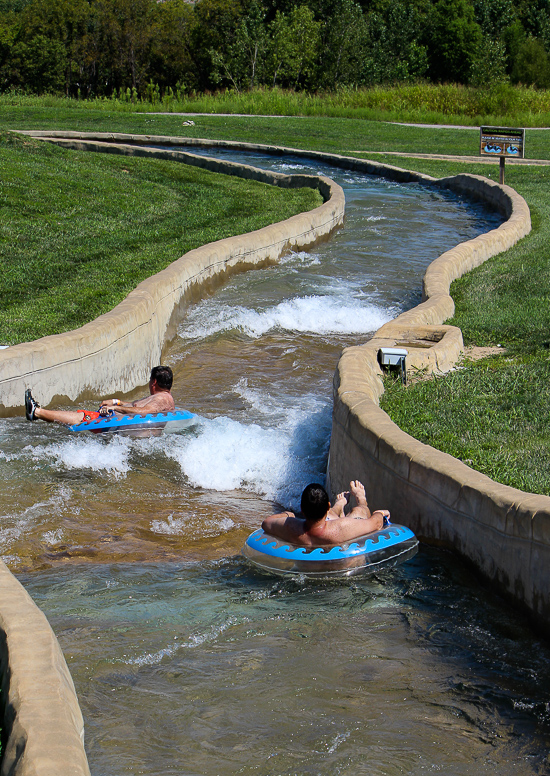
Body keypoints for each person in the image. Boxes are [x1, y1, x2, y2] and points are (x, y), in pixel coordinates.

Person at [24, 365, 175, 426]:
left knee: (82, 417)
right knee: (83, 415)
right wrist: (116, 402)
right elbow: (138, 406)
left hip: (116, 425)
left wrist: (115, 409)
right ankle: (38, 412)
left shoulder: (162, 399)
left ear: (154, 382)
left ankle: (36, 412)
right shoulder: (161, 397)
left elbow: (145, 412)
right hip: (117, 421)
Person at [261, 480, 390, 547]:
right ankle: (361, 499)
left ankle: (340, 504)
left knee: (331, 516)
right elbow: (376, 524)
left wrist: (289, 515)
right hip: (341, 566)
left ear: (302, 509)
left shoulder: (291, 527)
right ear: (327, 506)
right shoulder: (342, 527)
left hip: (307, 566)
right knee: (358, 511)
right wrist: (380, 513)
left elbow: (266, 523)